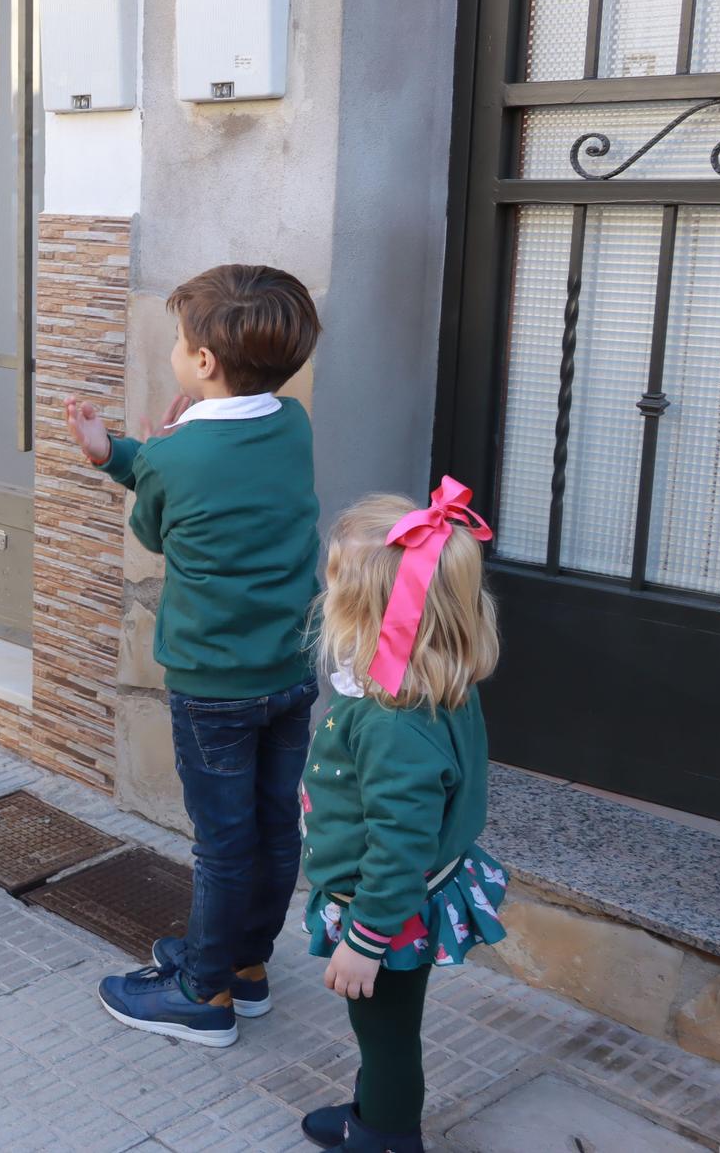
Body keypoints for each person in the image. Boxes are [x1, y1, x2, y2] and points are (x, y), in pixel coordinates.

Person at [65, 263, 322, 1046]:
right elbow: (213, 470)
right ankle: (244, 964)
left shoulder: (175, 457)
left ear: (203, 362)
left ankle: (200, 992)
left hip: (213, 685)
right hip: (289, 669)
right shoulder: (291, 423)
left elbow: (153, 525)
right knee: (276, 827)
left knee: (222, 841)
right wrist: (134, 450)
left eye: (180, 341)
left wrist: (128, 454)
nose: (176, 350)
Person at [296, 483, 507, 1153]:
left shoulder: (394, 723)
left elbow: (399, 845)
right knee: (380, 1028)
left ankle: (386, 1135)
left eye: (337, 591)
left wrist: (365, 938)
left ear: (377, 614)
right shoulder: (432, 680)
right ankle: (374, 1110)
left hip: (387, 908)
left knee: (386, 1033)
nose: (326, 602)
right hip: (395, 898)